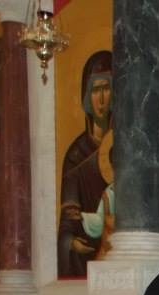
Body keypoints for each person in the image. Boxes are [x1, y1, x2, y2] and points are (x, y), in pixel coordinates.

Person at [58, 50, 113, 277]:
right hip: (88, 251)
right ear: (86, 96)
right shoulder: (76, 155)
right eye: (95, 90)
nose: (101, 98)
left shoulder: (126, 147)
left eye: (106, 88)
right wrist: (70, 243)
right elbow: (68, 220)